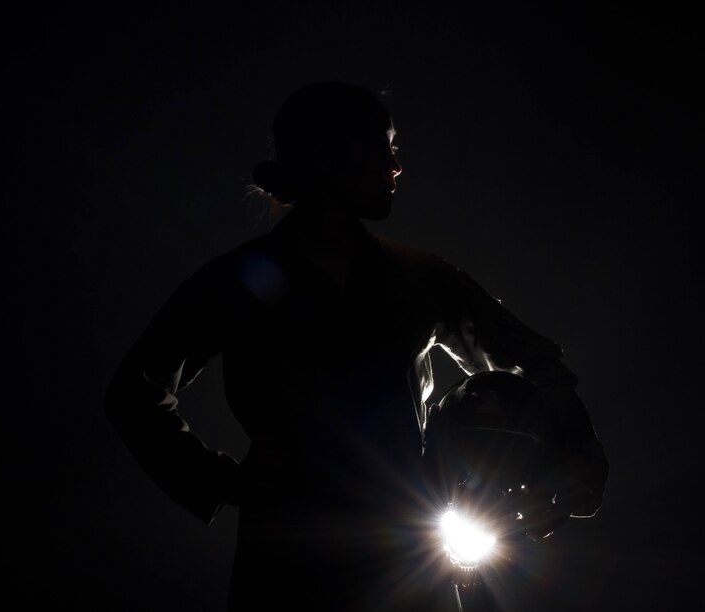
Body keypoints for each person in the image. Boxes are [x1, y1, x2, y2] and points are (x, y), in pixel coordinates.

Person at [105, 82, 608, 611]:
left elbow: (541, 366)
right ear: (336, 156)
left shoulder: (421, 278)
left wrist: (577, 466)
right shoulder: (241, 281)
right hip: (293, 568)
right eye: (385, 148)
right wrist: (224, 482)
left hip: (401, 563)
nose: (396, 167)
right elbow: (134, 391)